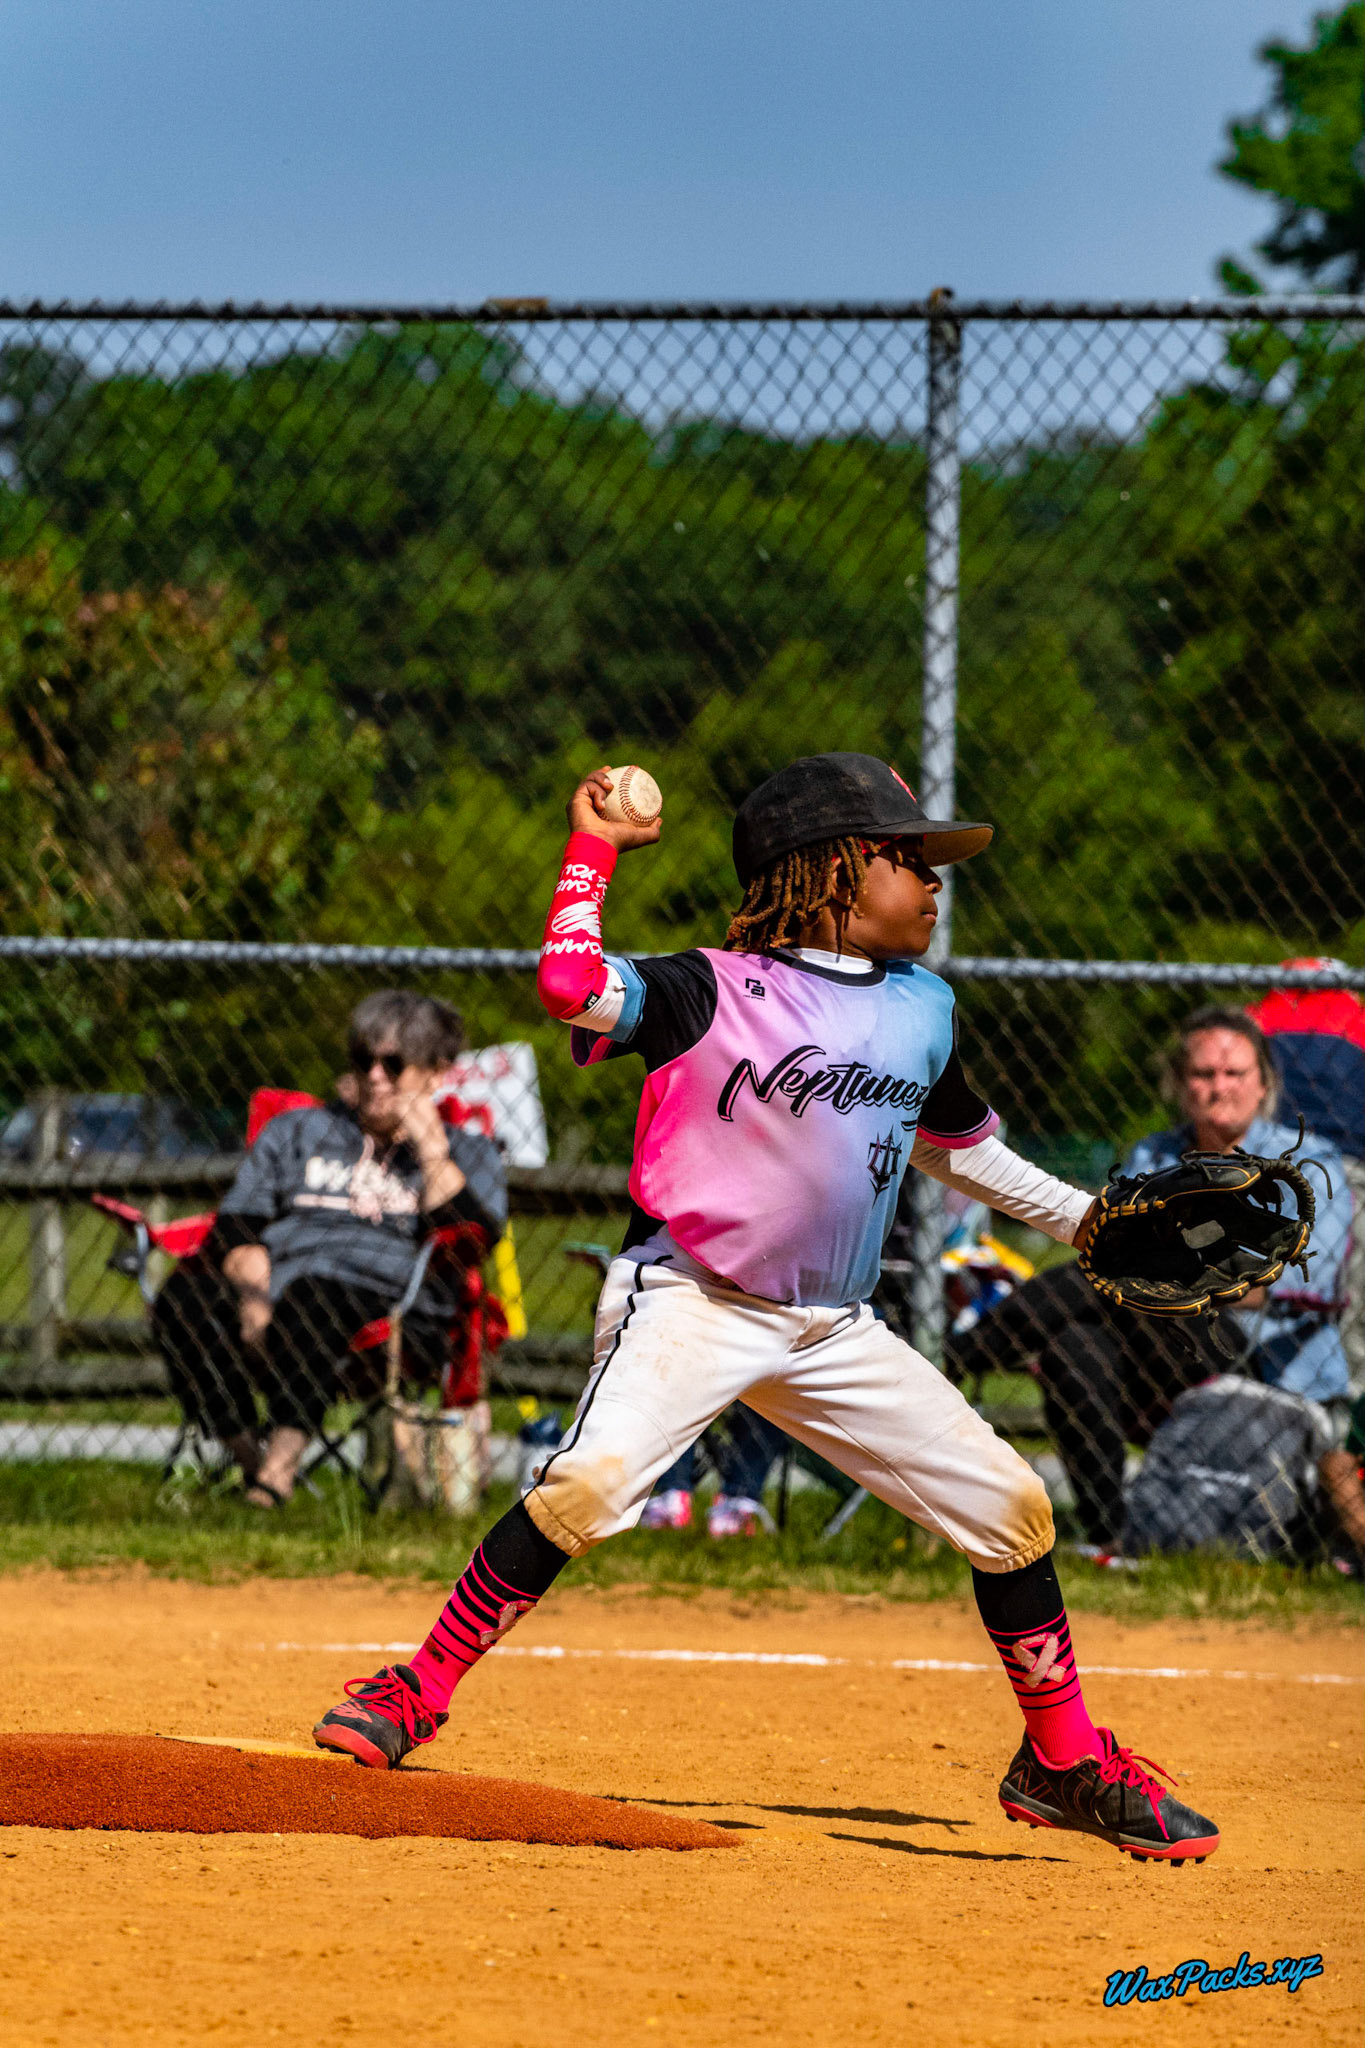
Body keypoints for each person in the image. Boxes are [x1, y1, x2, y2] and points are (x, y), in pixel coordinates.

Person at [314, 753, 1220, 1864]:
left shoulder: (922, 1008)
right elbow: (571, 988)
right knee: (589, 1483)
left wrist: (1089, 1220)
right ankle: (419, 1686)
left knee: (1014, 1506)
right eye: (909, 858)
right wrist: (591, 848)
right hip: (693, 1296)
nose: (935, 883)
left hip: (833, 1325)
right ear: (834, 869)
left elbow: (965, 1150)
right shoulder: (711, 986)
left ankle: (1063, 1759)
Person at [946, 1007, 1353, 1551]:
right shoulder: (1154, 1156)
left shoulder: (1305, 1162)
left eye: (1235, 1074)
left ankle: (956, 1360)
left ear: (1264, 1085)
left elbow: (1294, 1280)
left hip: (1265, 1361)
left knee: (1124, 1279)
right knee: (1075, 1346)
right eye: (1203, 1074)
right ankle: (1114, 1537)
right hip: (1160, 1350)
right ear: (1181, 1086)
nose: (1219, 1087)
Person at [156, 991, 507, 1507]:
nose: (375, 1077)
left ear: (435, 1073)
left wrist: (431, 1150)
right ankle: (254, 1464)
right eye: (364, 1060)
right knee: (182, 1299)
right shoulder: (300, 1131)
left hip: (393, 1311)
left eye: (394, 1064)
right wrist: (254, 1294)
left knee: (313, 1296)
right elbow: (235, 1226)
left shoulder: (468, 1151)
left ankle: (275, 1479)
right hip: (276, 1288)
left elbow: (471, 1242)